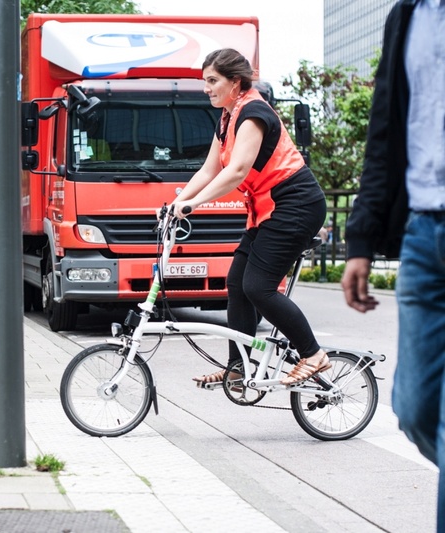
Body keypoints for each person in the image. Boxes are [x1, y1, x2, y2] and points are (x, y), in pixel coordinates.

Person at [341, 1, 445, 528]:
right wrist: (359, 239)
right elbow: (383, 135)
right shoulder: (406, 15)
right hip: (424, 233)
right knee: (416, 410)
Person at [169, 48, 329, 387]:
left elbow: (237, 170)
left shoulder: (254, 113)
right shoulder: (227, 118)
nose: (207, 88)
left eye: (213, 81)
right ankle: (239, 367)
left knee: (258, 286)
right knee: (236, 285)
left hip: (295, 205)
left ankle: (313, 354)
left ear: (235, 82)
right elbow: (209, 169)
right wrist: (175, 204)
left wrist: (192, 205)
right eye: (205, 82)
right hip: (268, 210)